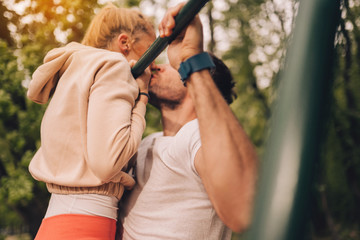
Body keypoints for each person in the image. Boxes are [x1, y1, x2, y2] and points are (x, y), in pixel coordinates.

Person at [120, 2, 258, 239]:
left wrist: (190, 60)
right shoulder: (145, 141)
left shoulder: (194, 135)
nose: (158, 67)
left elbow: (247, 208)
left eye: (174, 67)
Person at [26, 3, 155, 239]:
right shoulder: (114, 66)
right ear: (124, 43)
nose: (153, 67)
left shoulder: (76, 72)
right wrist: (143, 98)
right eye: (150, 53)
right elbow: (108, 163)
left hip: (59, 220)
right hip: (85, 224)